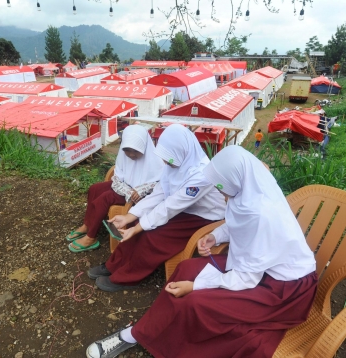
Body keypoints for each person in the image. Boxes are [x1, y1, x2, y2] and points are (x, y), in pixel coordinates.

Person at [86, 145, 318, 358]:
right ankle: (139, 333)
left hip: (284, 290)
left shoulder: (262, 213)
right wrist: (215, 235)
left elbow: (246, 277)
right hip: (259, 268)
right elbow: (240, 222)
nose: (219, 193)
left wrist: (196, 286)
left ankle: (163, 343)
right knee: (186, 268)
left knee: (195, 302)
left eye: (220, 186)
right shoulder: (250, 189)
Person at [87, 124, 227, 292]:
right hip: (184, 210)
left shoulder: (202, 174)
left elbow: (170, 206)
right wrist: (130, 217)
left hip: (204, 217)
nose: (166, 162)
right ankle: (114, 264)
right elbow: (160, 193)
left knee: (153, 236)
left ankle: (128, 276)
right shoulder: (174, 166)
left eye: (170, 158)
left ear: (183, 152)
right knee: (135, 226)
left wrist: (139, 227)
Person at [66, 125, 164, 253]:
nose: (131, 154)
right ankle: (87, 224)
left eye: (135, 150)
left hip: (140, 197)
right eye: (127, 150)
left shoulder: (156, 160)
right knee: (94, 189)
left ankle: (91, 237)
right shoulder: (124, 156)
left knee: (105, 198)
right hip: (125, 188)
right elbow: (117, 177)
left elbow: (160, 184)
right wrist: (128, 190)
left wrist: (141, 189)